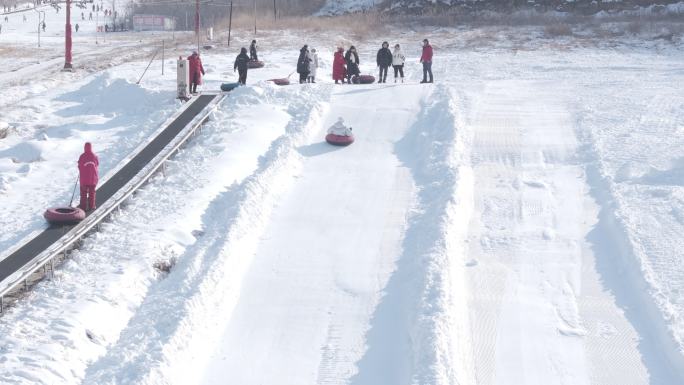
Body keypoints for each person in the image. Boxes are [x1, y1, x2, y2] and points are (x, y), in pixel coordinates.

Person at [77, 142, 99, 211]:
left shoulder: (82, 156)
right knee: (92, 193)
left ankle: (83, 207)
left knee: (83, 193)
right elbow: (97, 164)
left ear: (84, 148)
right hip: (93, 178)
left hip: (84, 179)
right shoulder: (94, 156)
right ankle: (91, 206)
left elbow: (79, 165)